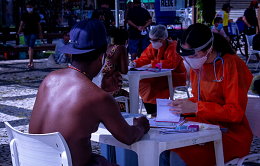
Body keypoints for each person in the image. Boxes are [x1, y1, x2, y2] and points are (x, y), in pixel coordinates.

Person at [29, 19, 150, 166]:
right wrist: (141, 125)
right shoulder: (98, 98)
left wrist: (100, 90)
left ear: (72, 54)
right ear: (102, 57)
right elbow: (128, 137)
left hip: (34, 161)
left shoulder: (49, 80)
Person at [159, 23, 253, 166]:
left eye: (194, 55)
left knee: (180, 156)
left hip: (231, 135)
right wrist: (179, 107)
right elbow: (199, 100)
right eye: (186, 56)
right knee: (163, 149)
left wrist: (196, 107)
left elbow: (235, 113)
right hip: (204, 128)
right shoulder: (197, 66)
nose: (190, 59)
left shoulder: (232, 65)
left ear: (208, 49)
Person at [129, 25, 187, 117]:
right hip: (159, 76)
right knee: (142, 83)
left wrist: (153, 64)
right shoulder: (153, 46)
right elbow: (145, 58)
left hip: (175, 77)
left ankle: (158, 111)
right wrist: (136, 63)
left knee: (151, 86)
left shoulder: (173, 46)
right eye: (150, 40)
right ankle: (153, 112)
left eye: (154, 40)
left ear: (163, 38)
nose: (152, 42)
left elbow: (172, 64)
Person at [103, 28, 129, 111]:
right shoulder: (121, 48)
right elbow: (124, 71)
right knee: (129, 97)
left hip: (103, 88)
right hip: (114, 91)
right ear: (125, 39)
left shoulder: (107, 48)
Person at [17, 1, 43, 69]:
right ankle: (31, 62)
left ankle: (30, 62)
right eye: (27, 7)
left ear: (33, 7)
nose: (28, 8)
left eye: (30, 7)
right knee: (29, 47)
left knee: (31, 47)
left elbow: (39, 25)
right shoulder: (24, 15)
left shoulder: (36, 15)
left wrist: (40, 34)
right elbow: (21, 24)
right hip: (26, 32)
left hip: (34, 32)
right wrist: (18, 32)